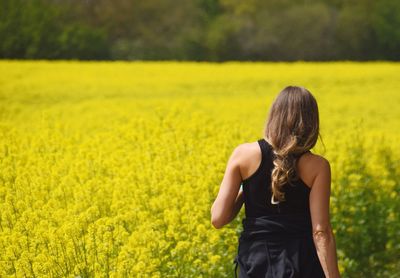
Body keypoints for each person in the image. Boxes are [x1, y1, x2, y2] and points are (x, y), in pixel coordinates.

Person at [210, 86, 341, 278]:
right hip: (301, 263)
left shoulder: (243, 155)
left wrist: (248, 190)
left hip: (255, 263)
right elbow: (321, 231)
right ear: (311, 121)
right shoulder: (317, 166)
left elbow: (218, 219)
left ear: (274, 115)